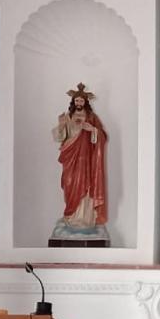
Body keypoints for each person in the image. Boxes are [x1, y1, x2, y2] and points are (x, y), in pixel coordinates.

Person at [52, 83, 108, 235]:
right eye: (76, 101)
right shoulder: (68, 117)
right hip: (70, 158)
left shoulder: (91, 118)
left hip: (86, 161)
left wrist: (93, 130)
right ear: (73, 102)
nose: (79, 103)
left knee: (86, 185)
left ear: (85, 102)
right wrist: (61, 124)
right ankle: (71, 217)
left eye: (81, 101)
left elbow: (103, 136)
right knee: (70, 183)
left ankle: (85, 220)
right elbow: (59, 137)